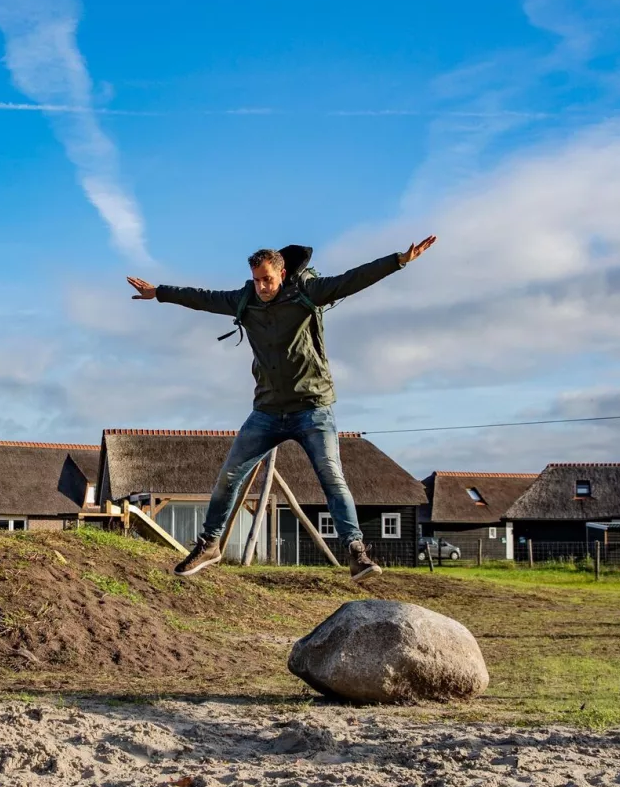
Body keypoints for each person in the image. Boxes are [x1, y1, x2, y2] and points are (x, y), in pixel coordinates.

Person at [127, 236, 435, 580]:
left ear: (282, 273)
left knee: (332, 478)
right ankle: (209, 544)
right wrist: (160, 293)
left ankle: (356, 552)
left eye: (267, 279)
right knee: (229, 475)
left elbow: (353, 278)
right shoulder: (244, 300)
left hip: (313, 407)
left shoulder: (307, 292)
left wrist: (399, 260)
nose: (262, 286)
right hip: (268, 411)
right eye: (257, 279)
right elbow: (203, 298)